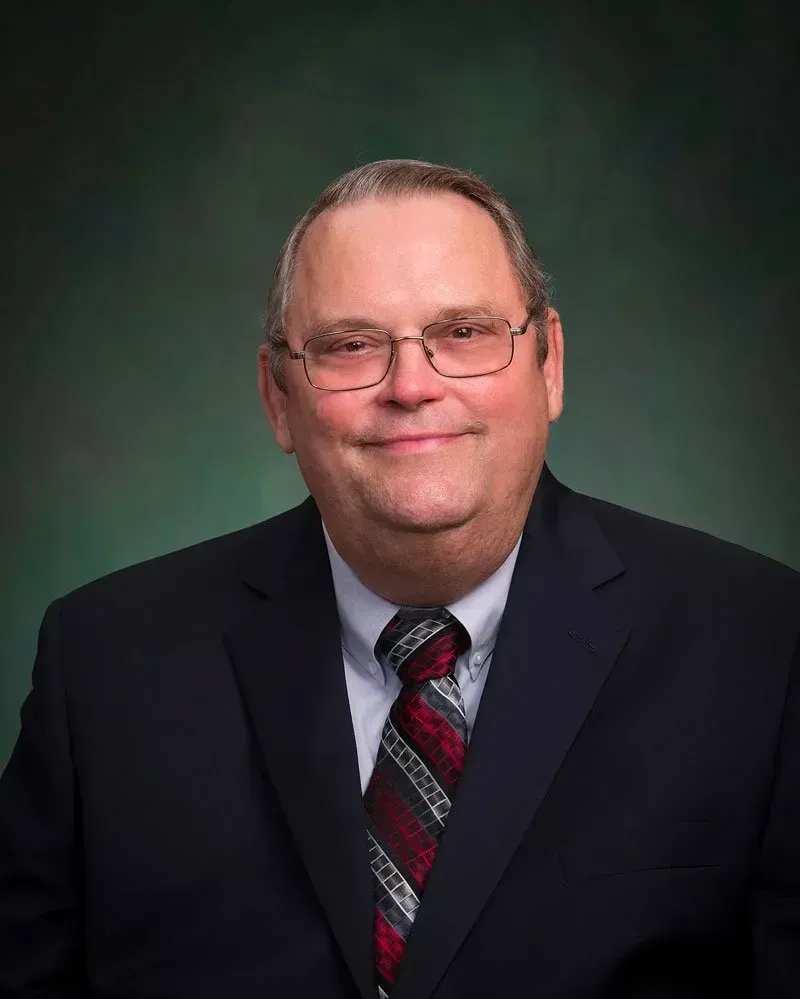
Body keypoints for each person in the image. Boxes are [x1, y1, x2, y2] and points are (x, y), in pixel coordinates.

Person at [0, 159, 798, 999]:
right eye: (352, 346)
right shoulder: (105, 666)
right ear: (278, 397)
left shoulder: (760, 649)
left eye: (464, 332)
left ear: (549, 363)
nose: (412, 387)